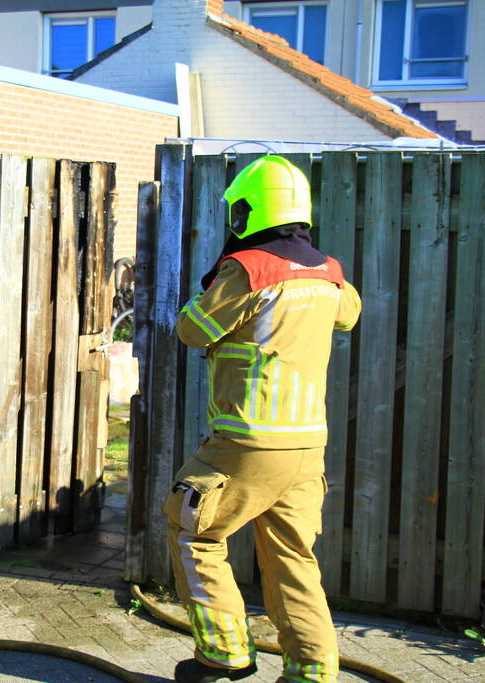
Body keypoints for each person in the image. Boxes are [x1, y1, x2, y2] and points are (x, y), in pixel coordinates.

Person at [165, 155, 361, 683]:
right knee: (293, 558)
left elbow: (193, 330)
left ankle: (224, 654)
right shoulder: (329, 272)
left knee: (194, 532)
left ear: (246, 212)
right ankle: (313, 672)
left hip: (246, 440)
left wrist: (207, 289)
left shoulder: (250, 269)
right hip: (306, 449)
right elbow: (350, 314)